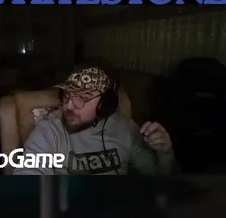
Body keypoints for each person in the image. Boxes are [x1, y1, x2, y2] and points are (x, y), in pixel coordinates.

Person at [13, 66, 176, 175]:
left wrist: (165, 153)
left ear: (104, 104)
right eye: (67, 95)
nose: (69, 106)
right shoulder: (49, 131)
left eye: (82, 97)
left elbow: (158, 176)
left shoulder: (126, 129)